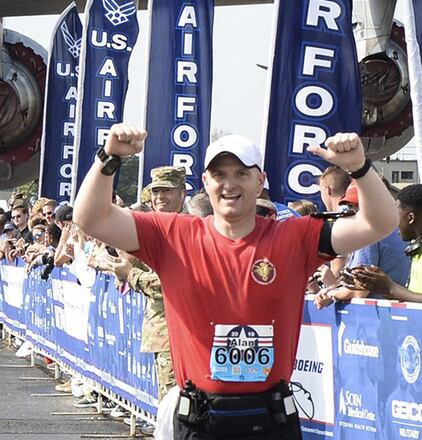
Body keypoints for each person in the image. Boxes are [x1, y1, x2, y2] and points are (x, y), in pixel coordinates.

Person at [73, 123, 397, 439]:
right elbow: (90, 217)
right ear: (205, 182)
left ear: (260, 182)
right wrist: (109, 156)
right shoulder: (173, 235)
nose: (230, 184)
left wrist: (359, 167)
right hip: (200, 422)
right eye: (220, 175)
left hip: (270, 420)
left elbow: (380, 222)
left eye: (241, 173)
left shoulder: (295, 235)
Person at [101, 166, 186, 409]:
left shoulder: (188, 229)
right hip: (163, 332)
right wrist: (118, 265)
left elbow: (175, 283)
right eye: (156, 191)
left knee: (176, 410)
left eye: (167, 191)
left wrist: (130, 275)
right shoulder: (153, 228)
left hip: (180, 333)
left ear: (182, 193)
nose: (160, 197)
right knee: (172, 407)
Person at [349, 183, 422, 303]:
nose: (394, 224)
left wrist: (391, 288)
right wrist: (376, 286)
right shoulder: (416, 250)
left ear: (411, 218)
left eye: (395, 217)